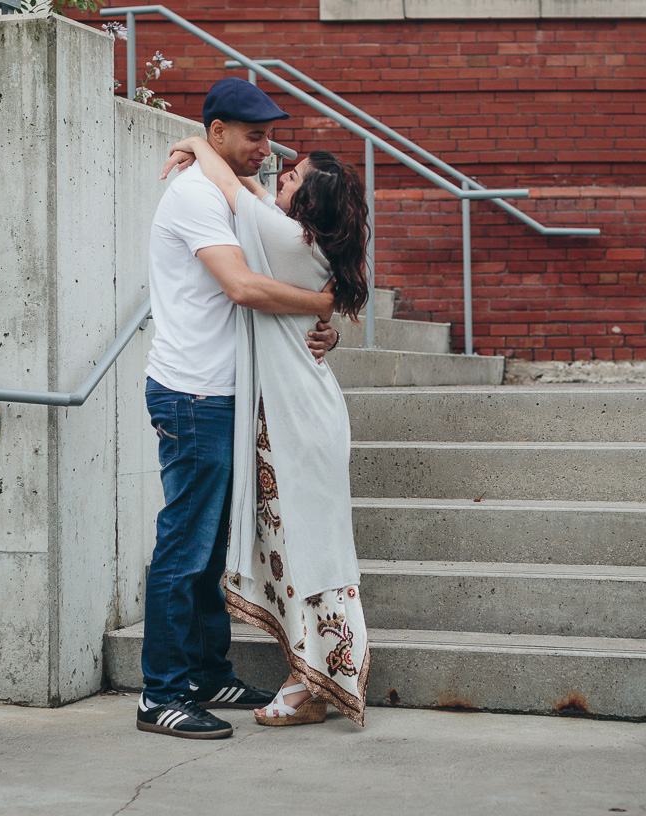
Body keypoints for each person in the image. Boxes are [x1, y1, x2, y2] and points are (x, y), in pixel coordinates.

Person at [136, 77, 341, 741]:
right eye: (253, 135)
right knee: (184, 548)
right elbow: (245, 287)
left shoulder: (230, 185)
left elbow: (281, 250)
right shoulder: (195, 194)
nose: (267, 146)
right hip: (191, 395)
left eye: (270, 134)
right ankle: (160, 695)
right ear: (220, 131)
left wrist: (325, 323)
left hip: (223, 393)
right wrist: (322, 306)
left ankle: (204, 673)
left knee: (210, 548)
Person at [161, 133, 372, 727]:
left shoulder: (283, 237)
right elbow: (250, 190)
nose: (280, 175)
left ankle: (313, 681)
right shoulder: (297, 238)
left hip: (300, 420)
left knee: (311, 550)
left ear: (309, 202)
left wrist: (193, 144)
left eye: (294, 177)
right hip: (296, 414)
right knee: (299, 548)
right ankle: (315, 672)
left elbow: (234, 185)